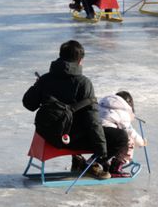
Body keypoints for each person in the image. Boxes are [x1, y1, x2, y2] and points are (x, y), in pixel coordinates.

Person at [22, 40, 128, 180]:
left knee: (79, 125)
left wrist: (37, 86)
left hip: (47, 134)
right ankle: (91, 164)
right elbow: (92, 121)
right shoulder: (83, 83)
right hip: (70, 139)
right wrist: (101, 152)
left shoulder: (46, 79)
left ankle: (78, 160)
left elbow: (29, 104)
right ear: (80, 61)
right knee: (121, 137)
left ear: (60, 56)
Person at [98, 91, 146, 176]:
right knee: (129, 141)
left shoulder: (103, 103)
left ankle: (105, 163)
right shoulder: (122, 111)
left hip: (94, 135)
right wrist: (142, 142)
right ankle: (117, 166)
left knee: (116, 135)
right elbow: (130, 131)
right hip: (108, 136)